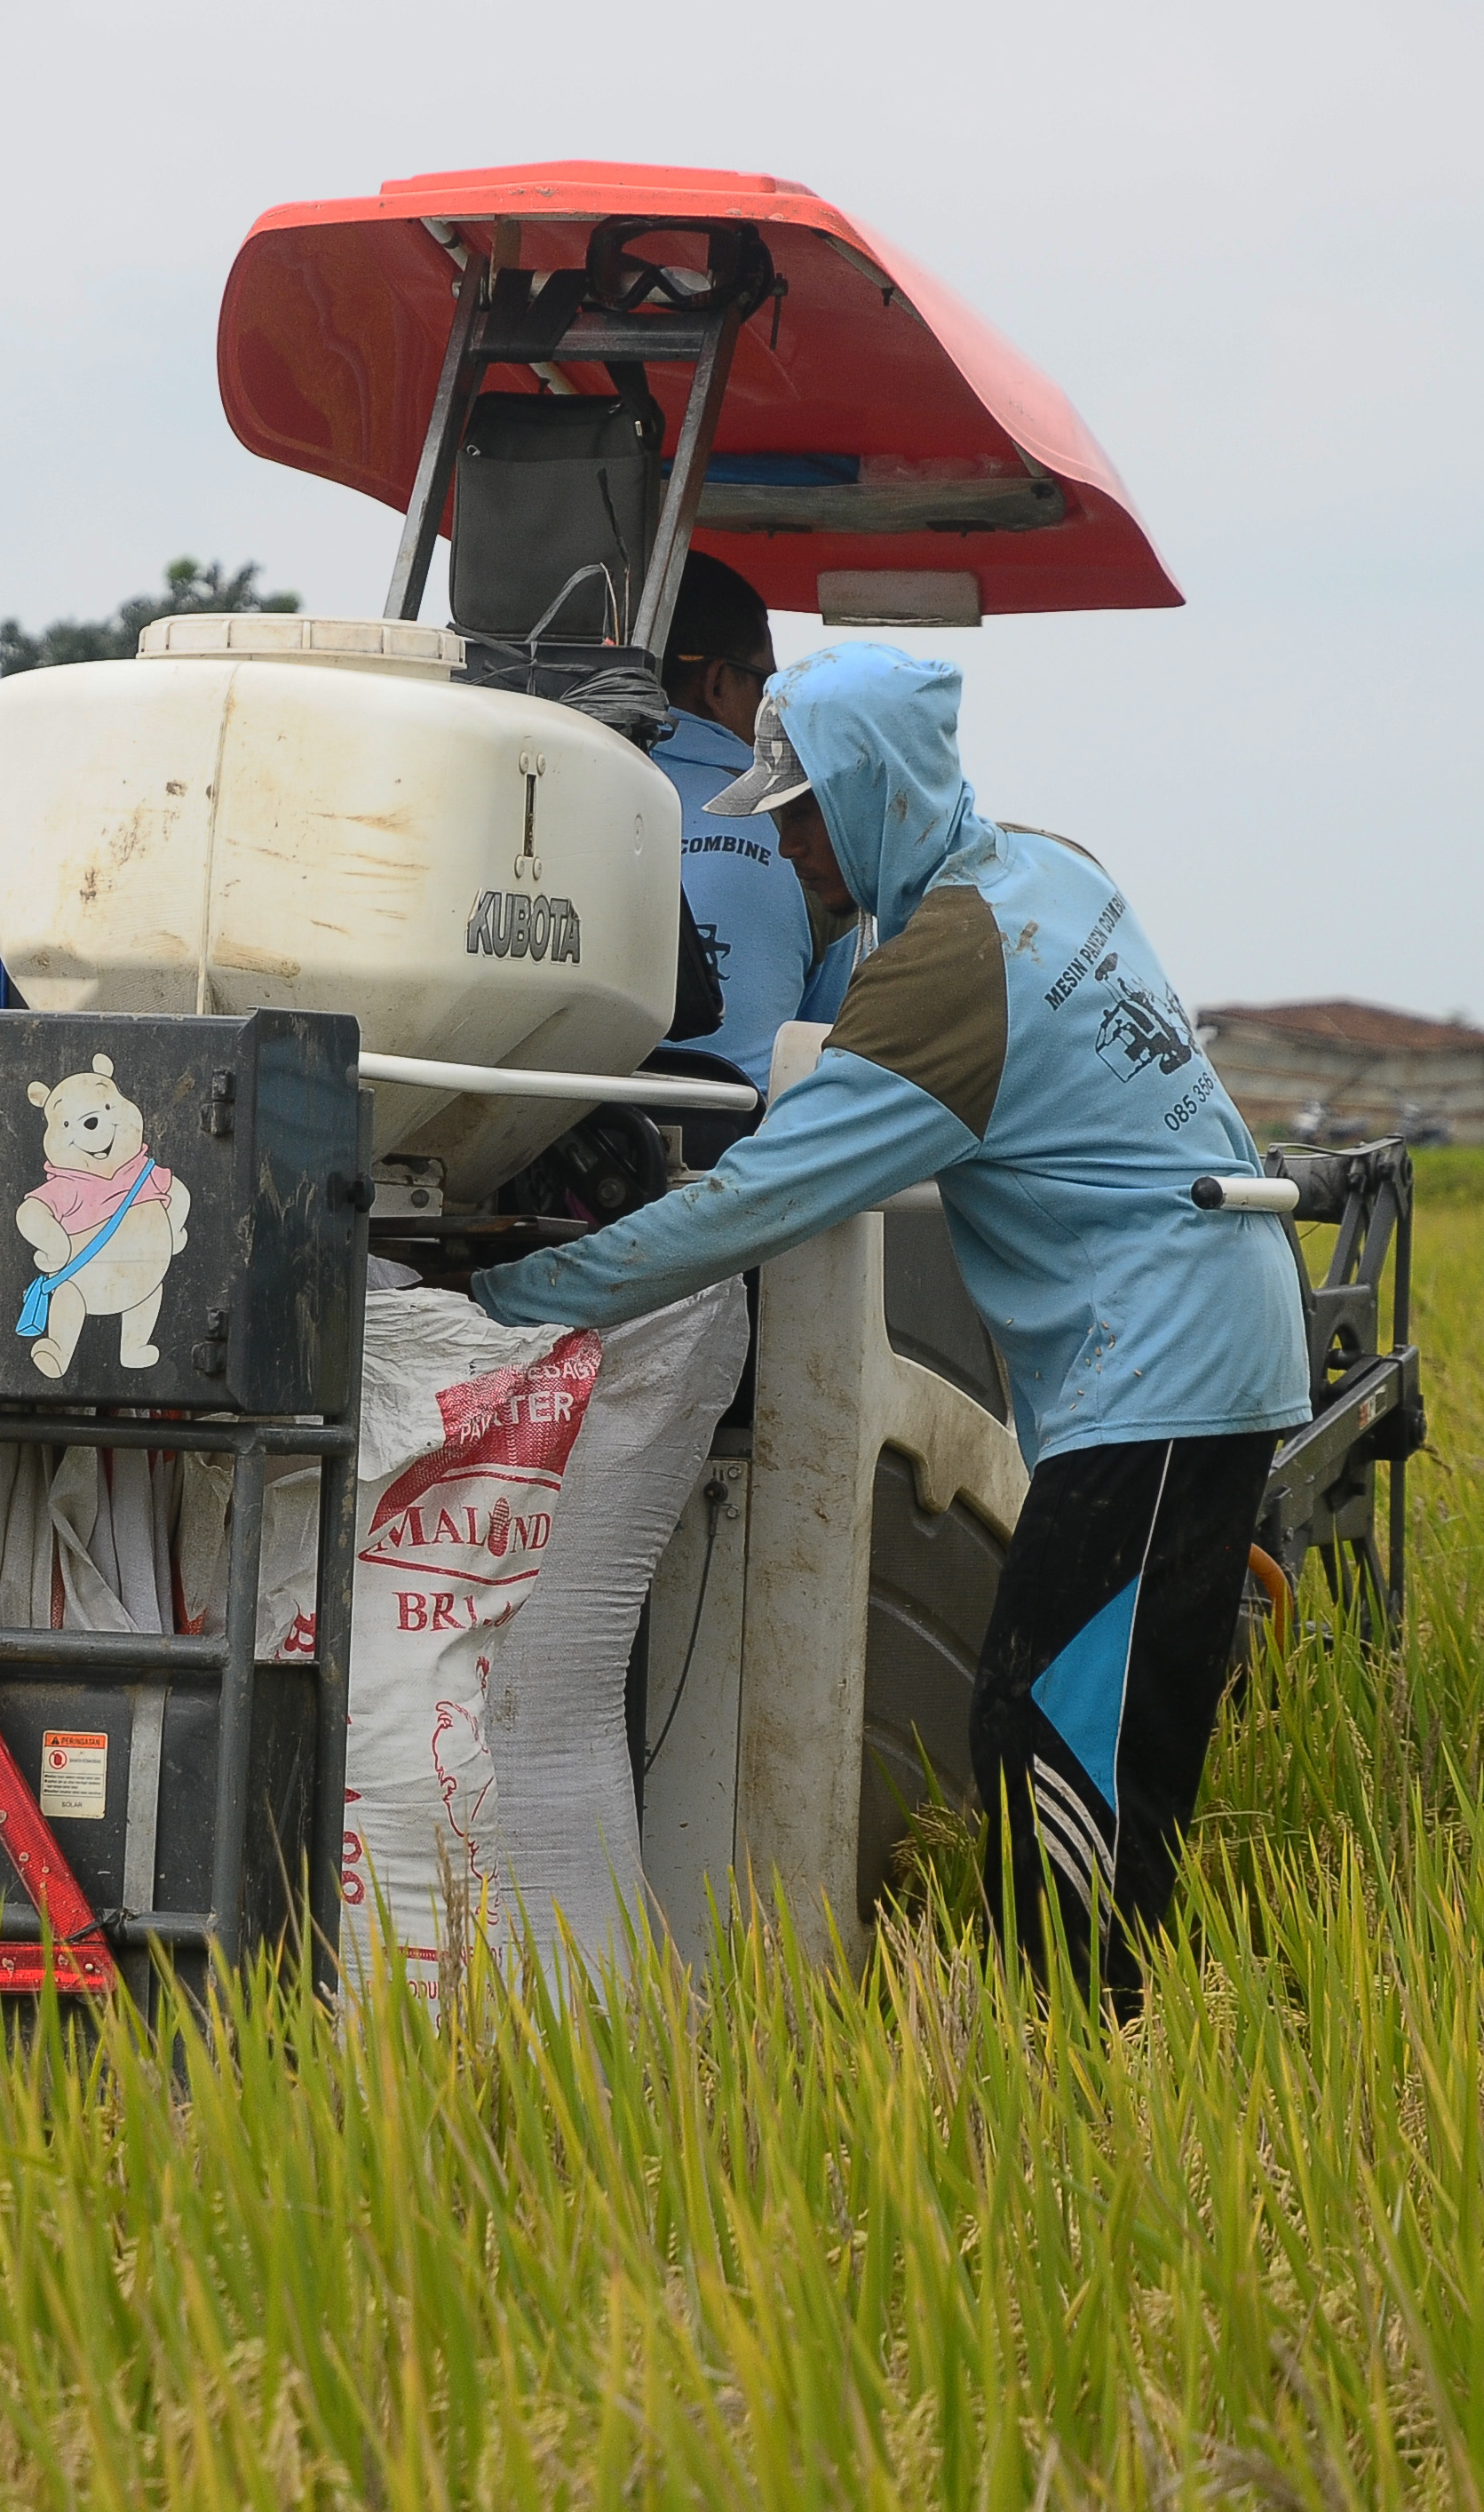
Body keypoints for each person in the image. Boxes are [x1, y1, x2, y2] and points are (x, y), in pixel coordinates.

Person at [473, 641, 1310, 2009]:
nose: (791, 847)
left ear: (868, 791)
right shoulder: (1046, 870)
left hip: (1163, 1365)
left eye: (802, 812)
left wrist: (521, 1294)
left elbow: (759, 1201)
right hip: (1202, 1335)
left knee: (1058, 1730)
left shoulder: (948, 972)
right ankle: (1115, 2028)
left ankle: (1086, 2046)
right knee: (1082, 1718)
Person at [655, 554, 853, 1088]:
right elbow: (827, 1051)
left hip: (563, 1146)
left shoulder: (544, 794)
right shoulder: (810, 834)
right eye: (767, 683)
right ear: (717, 685)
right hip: (738, 1151)